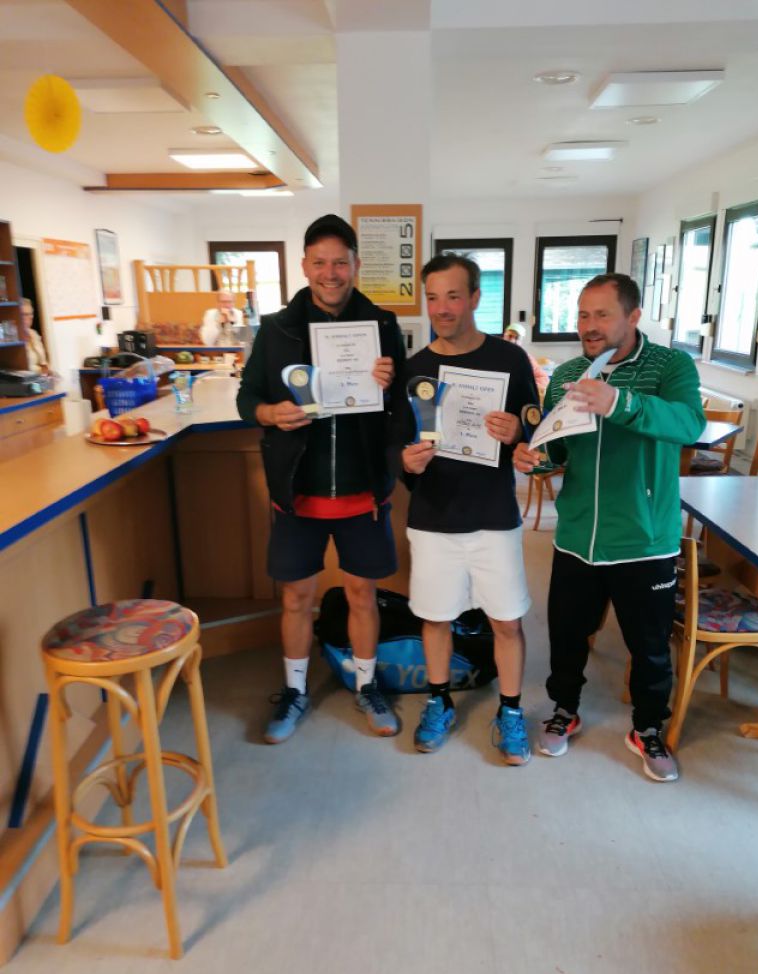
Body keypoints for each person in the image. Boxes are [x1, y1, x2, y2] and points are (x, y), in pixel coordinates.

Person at [513, 272, 706, 783]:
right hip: (577, 536)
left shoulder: (670, 365)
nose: (589, 325)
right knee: (567, 635)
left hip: (644, 539)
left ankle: (647, 728)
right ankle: (564, 709)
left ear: (633, 316)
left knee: (649, 647)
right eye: (583, 314)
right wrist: (534, 459)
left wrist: (618, 402)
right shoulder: (567, 373)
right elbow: (558, 448)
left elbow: (689, 424)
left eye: (602, 314)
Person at [237, 214, 405, 743]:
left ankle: (366, 685)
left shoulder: (382, 325)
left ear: (356, 265)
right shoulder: (276, 328)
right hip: (298, 489)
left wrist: (390, 381)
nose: (331, 273)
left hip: (362, 487)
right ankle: (294, 690)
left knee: (362, 594)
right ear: (305, 266)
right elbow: (247, 396)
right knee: (296, 598)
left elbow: (402, 405)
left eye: (340, 263)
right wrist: (270, 414)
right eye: (320, 263)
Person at [392, 254, 539, 763]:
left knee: (507, 621)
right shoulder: (413, 369)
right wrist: (404, 462)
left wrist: (518, 432)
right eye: (433, 297)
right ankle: (439, 701)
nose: (442, 308)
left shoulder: (510, 360)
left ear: (475, 297)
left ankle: (511, 711)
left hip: (494, 515)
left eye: (453, 296)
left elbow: (534, 425)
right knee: (435, 618)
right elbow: (395, 443)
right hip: (433, 517)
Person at [502, 321, 549, 394]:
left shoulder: (526, 358)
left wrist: (527, 388)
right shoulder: (495, 354)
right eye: (510, 336)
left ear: (521, 341)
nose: (512, 340)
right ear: (504, 336)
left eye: (517, 338)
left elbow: (543, 378)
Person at [20, 298, 48, 373]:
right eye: (26, 314)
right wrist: (40, 370)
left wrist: (47, 371)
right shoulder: (13, 338)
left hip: (41, 377)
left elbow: (43, 362)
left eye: (31, 314)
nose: (31, 317)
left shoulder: (34, 334)